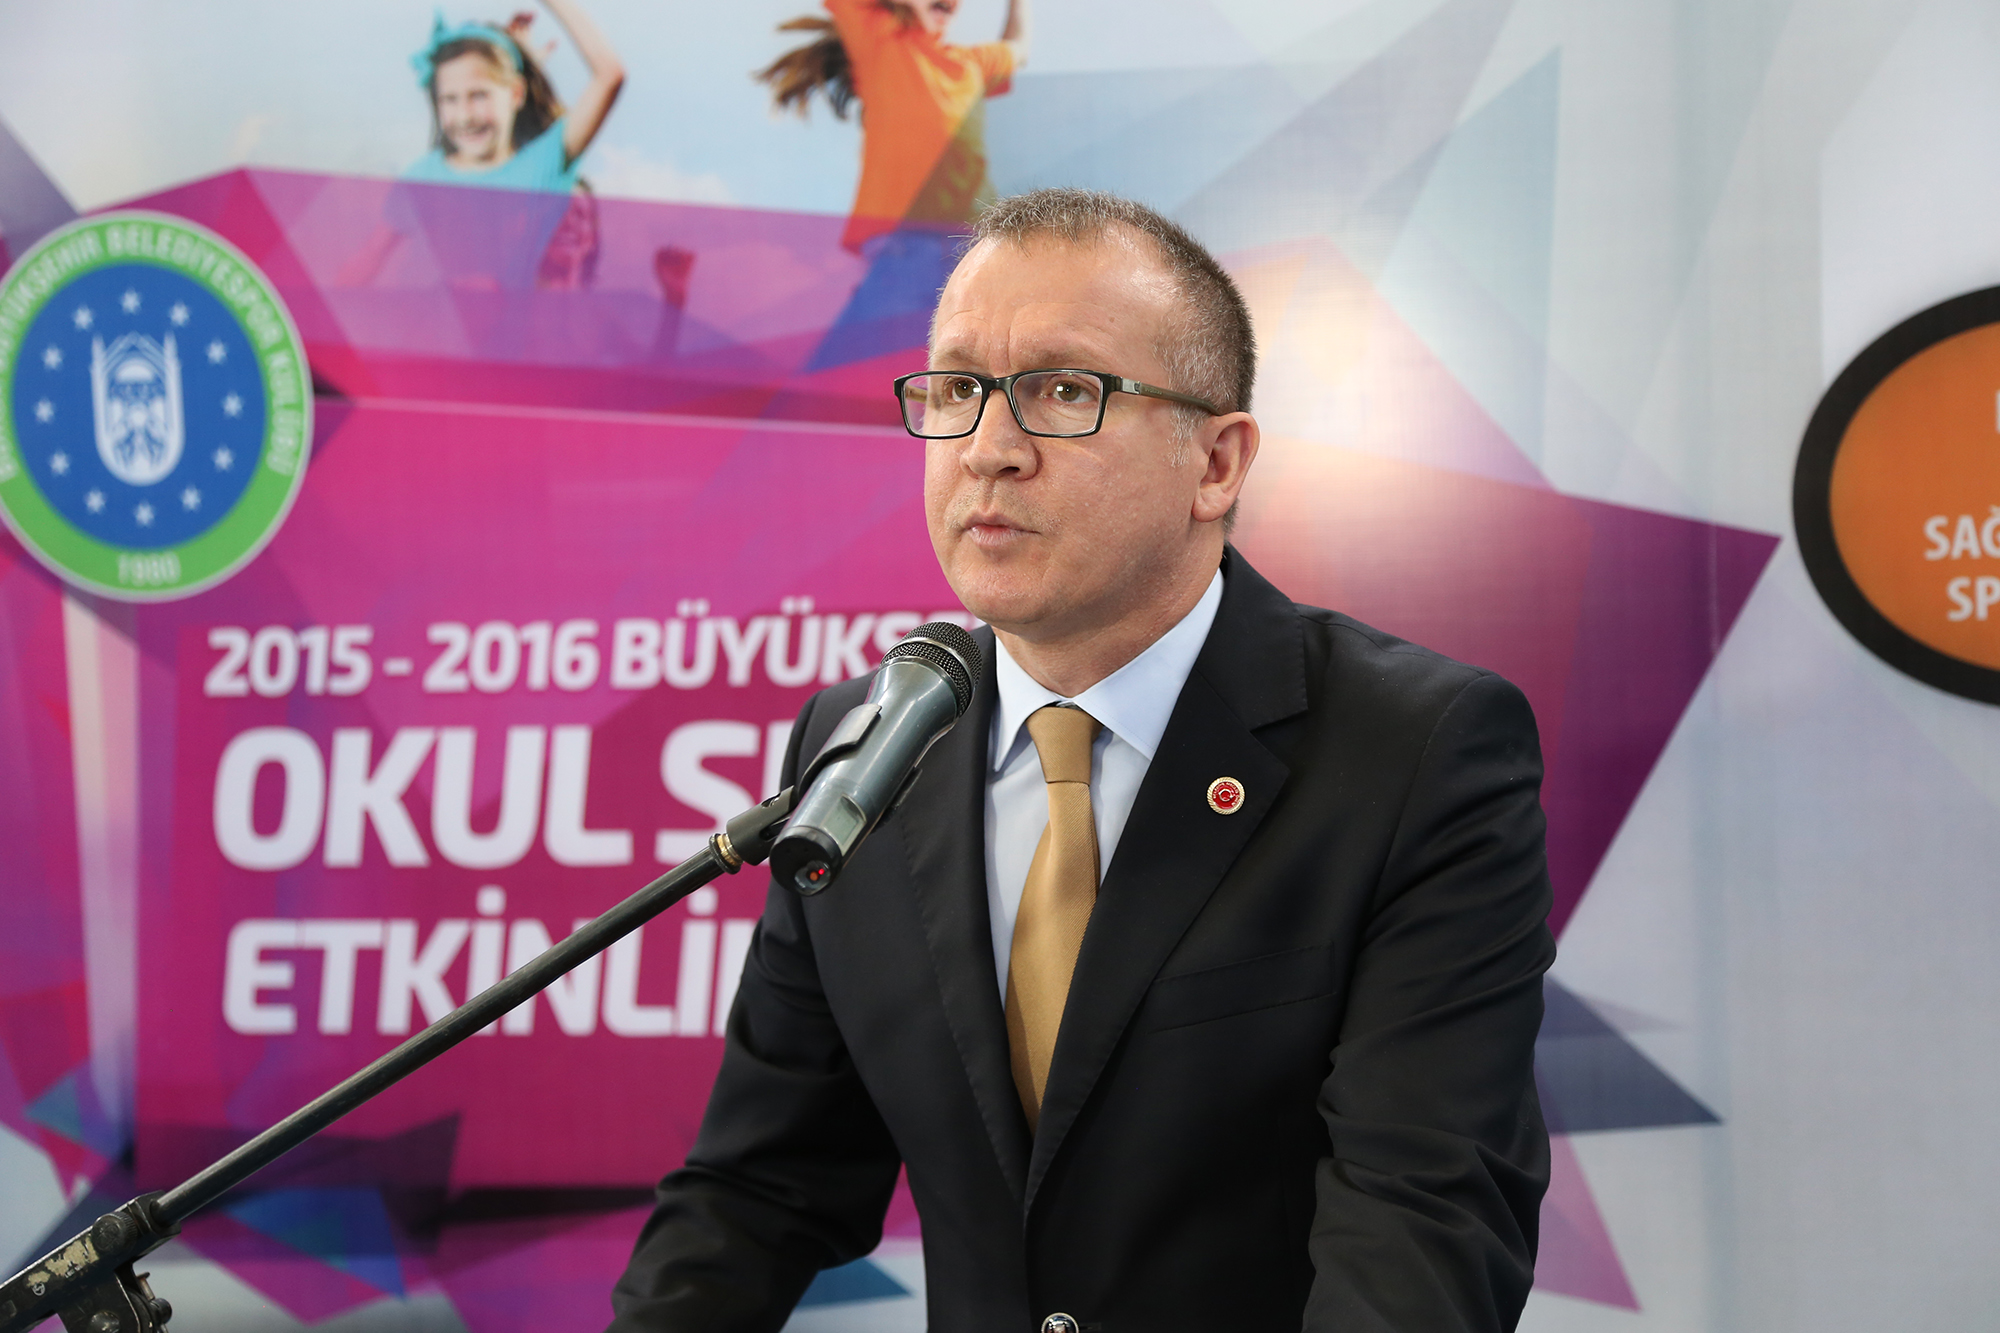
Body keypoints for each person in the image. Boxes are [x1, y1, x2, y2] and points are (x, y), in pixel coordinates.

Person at [609, 189, 1554, 1332]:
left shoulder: (1413, 754)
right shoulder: (861, 747)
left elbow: (1421, 1222)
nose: (988, 451)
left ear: (1215, 463)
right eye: (956, 389)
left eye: (1062, 391)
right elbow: (757, 1191)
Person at [758, 0, 1031, 368]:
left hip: (972, 252)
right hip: (904, 248)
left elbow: (1018, 48)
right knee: (847, 375)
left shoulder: (972, 63)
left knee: (959, 373)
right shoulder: (880, 38)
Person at [406, 2, 625, 193]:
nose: (465, 116)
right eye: (449, 99)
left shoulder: (540, 166)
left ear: (516, 93)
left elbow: (609, 75)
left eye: (479, 95)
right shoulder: (420, 177)